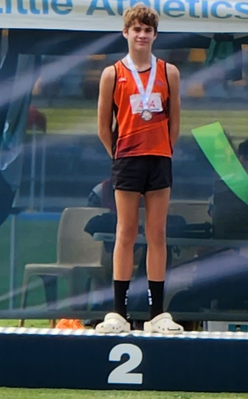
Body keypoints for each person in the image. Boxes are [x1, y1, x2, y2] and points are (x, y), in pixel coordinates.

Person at [94, 3, 182, 334]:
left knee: (157, 233)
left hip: (159, 159)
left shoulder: (169, 72)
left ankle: (157, 313)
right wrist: (118, 155)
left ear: (155, 35)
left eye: (148, 30)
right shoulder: (112, 73)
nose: (142, 35)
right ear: (126, 33)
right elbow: (103, 126)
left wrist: (164, 150)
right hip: (127, 160)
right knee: (126, 232)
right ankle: (119, 312)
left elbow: (175, 120)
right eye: (137, 29)